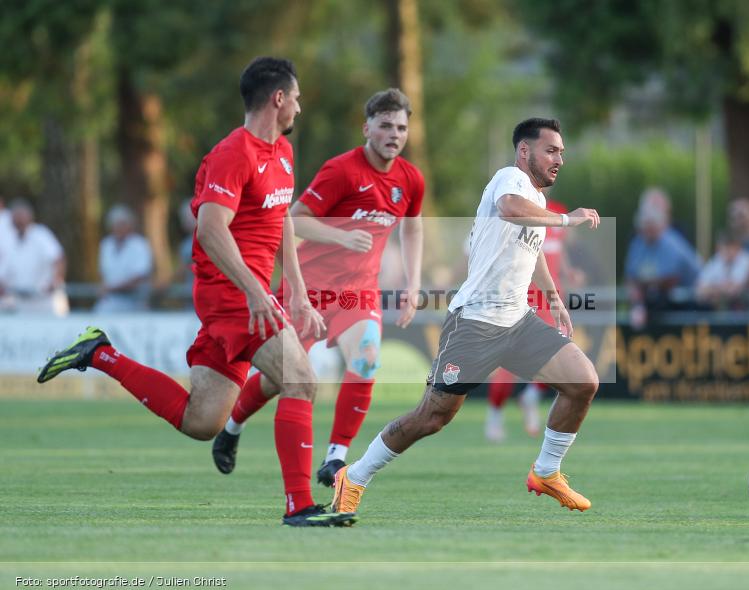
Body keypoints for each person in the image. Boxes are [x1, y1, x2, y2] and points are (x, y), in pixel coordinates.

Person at [36, 57, 352, 528]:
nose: (300, 109)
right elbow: (209, 229)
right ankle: (299, 505)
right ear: (278, 99)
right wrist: (253, 290)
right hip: (228, 294)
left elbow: (281, 220)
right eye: (298, 99)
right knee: (301, 379)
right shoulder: (233, 153)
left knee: (201, 421)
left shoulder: (283, 154)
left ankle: (100, 354)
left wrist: (298, 293)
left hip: (248, 294)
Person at [329, 118, 601, 522]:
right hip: (474, 322)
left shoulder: (538, 203)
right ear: (524, 151)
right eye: (551, 150)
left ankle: (545, 472)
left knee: (583, 381)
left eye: (561, 151)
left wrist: (553, 297)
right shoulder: (508, 179)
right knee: (431, 417)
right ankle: (354, 477)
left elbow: (533, 246)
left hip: (518, 321)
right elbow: (511, 211)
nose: (559, 158)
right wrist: (568, 219)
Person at [210, 89, 425, 487]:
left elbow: (412, 227)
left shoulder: (410, 179)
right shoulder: (342, 171)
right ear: (367, 129)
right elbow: (295, 220)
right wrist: (343, 237)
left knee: (366, 357)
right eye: (385, 126)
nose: (394, 134)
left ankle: (335, 458)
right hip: (307, 288)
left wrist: (413, 284)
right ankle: (233, 426)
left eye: (401, 127)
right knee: (282, 378)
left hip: (357, 292)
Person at [484, 198, 571, 442]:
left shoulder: (558, 211)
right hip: (521, 297)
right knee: (507, 361)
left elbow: (556, 251)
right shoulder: (515, 208)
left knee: (559, 356)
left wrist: (568, 271)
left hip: (551, 299)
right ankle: (495, 414)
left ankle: (531, 397)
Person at [624, 204, 700, 321]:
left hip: (688, 303)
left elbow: (670, 280)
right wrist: (637, 303)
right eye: (645, 226)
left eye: (651, 226)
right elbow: (631, 278)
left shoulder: (672, 244)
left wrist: (644, 284)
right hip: (659, 302)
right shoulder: (638, 243)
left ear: (660, 225)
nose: (647, 230)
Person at [0, 198, 68, 315]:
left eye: (21, 216)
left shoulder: (40, 234)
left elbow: (58, 258)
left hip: (46, 302)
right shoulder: (10, 241)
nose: (19, 221)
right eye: (16, 217)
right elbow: (7, 270)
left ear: (29, 217)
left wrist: (56, 280)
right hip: (22, 303)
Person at [94, 205, 153, 312]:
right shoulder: (106, 244)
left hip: (134, 302)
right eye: (116, 225)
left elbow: (140, 276)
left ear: (130, 225)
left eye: (122, 224)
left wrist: (113, 288)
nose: (119, 228)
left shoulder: (139, 245)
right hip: (109, 301)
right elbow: (103, 274)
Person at [695, 230, 749, 310]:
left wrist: (713, 289)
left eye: (729, 247)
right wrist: (720, 289)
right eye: (723, 247)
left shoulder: (747, 260)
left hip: (745, 311)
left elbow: (734, 290)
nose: (726, 251)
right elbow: (700, 290)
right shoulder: (716, 260)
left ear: (737, 247)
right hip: (719, 310)